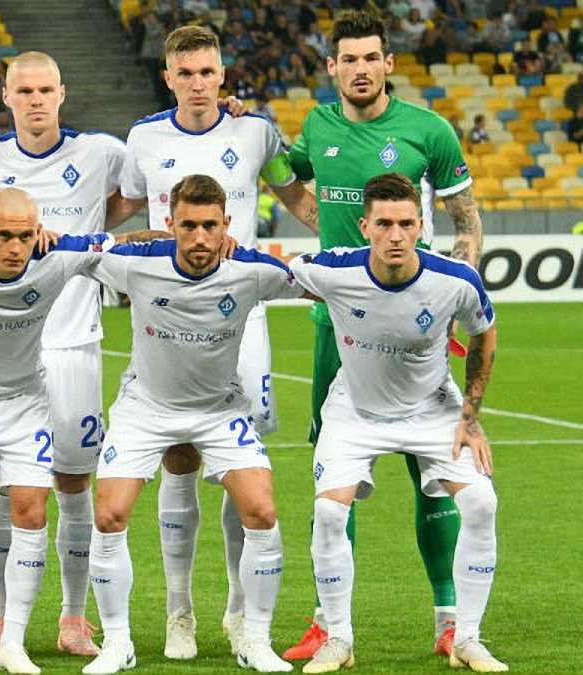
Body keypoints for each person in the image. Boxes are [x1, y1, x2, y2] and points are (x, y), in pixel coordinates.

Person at [106, 24, 318, 660]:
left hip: (240, 317)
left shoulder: (256, 133)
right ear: (168, 78)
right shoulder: (143, 138)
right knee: (177, 454)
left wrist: (359, 240)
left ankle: (238, 610)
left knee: (240, 470)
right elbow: (118, 210)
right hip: (168, 312)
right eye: (186, 73)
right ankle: (180, 611)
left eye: (207, 72)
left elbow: (298, 198)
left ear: (223, 75)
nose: (198, 84)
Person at [282, 10, 485, 662]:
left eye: (372, 57)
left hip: (417, 326)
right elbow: (281, 172)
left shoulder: (429, 130)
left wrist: (457, 298)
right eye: (349, 58)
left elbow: (466, 219)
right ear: (332, 66)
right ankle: (328, 623)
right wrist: (311, 214)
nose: (361, 68)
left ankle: (449, 618)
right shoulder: (317, 125)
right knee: (334, 478)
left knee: (435, 467)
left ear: (388, 63)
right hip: (335, 327)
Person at [0, 188, 157, 675]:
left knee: (33, 512)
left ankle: (13, 644)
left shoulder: (57, 257)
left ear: (38, 232)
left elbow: (128, 243)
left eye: (24, 236)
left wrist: (192, 238)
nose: (15, 248)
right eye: (3, 236)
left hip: (24, 404)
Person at [83, 175, 304, 675]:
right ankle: (119, 643)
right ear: (170, 225)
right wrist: (135, 237)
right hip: (146, 408)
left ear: (226, 224)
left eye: (209, 226)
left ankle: (255, 638)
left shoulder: (252, 271)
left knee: (261, 509)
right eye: (188, 226)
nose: (200, 237)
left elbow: (326, 285)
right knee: (110, 514)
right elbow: (72, 251)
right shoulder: (137, 264)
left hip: (220, 410)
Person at [287, 173, 503, 674]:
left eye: (406, 223)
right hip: (355, 410)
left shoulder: (455, 280)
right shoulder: (332, 270)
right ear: (365, 227)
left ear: (421, 226)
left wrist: (470, 415)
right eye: (384, 224)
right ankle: (338, 639)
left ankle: (467, 639)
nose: (396, 235)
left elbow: (485, 333)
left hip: (432, 408)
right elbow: (271, 275)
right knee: (330, 513)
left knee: (481, 503)